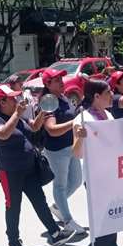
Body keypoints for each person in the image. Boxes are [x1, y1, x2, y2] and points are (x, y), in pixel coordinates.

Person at [0, 84, 74, 246]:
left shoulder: (16, 116)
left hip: (28, 167)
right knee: (13, 205)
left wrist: (44, 110)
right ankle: (13, 239)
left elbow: (34, 127)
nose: (16, 100)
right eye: (12, 98)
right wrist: (18, 114)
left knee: (39, 200)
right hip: (9, 170)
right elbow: (3, 133)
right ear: (2, 102)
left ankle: (55, 233)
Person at [72, 79, 123, 246]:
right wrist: (80, 137)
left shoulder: (107, 115)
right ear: (96, 96)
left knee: (114, 221)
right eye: (108, 92)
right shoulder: (83, 119)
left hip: (113, 177)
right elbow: (77, 153)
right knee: (107, 226)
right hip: (96, 181)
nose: (112, 95)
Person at [41, 68, 86, 235]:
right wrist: (74, 122)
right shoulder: (48, 101)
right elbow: (51, 129)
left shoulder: (63, 97)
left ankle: (58, 206)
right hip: (57, 150)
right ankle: (67, 221)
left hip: (71, 145)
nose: (61, 81)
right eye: (56, 80)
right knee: (60, 185)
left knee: (76, 180)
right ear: (47, 84)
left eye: (61, 78)